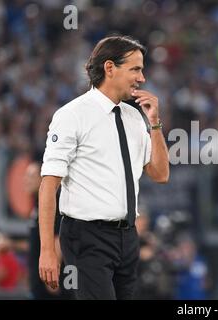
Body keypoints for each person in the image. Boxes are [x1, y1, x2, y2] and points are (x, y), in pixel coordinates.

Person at [38, 35, 169, 300]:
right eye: (135, 69)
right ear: (110, 68)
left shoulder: (135, 117)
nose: (142, 78)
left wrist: (155, 123)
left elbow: (160, 174)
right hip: (87, 236)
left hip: (128, 237)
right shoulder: (72, 115)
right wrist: (47, 249)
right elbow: (48, 185)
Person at [25, 160, 71, 299]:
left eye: (31, 176)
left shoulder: (52, 203)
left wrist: (52, 274)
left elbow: (58, 239)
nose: (26, 180)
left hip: (49, 276)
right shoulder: (36, 204)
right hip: (38, 276)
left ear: (42, 178)